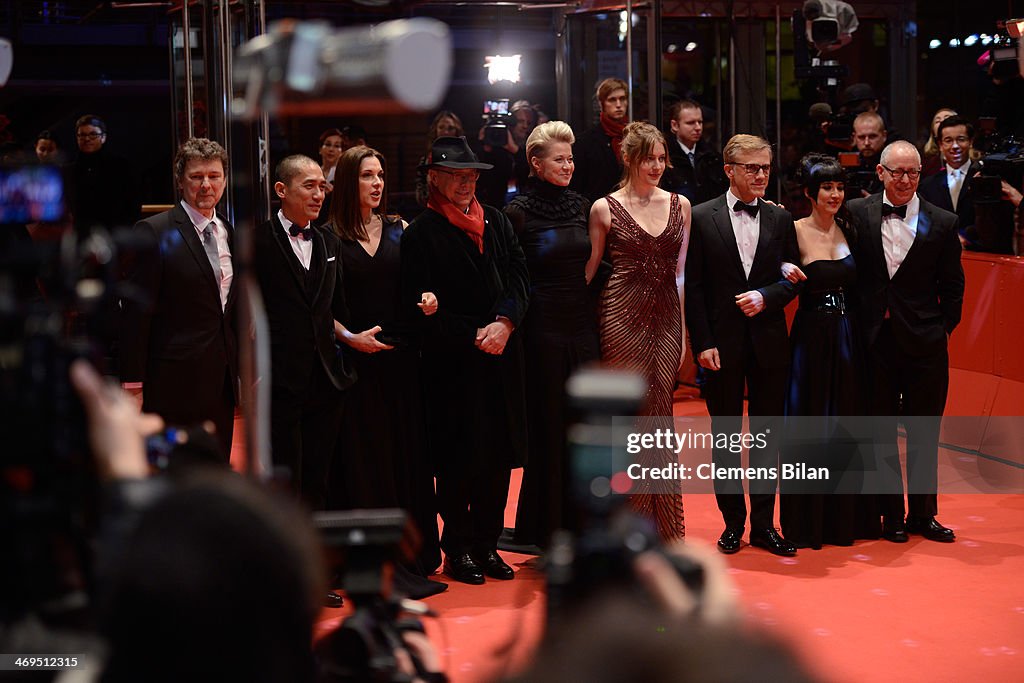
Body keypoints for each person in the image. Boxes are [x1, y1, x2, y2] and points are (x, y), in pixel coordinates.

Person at [401, 136, 529, 585]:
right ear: (434, 179)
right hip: (452, 366)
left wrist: (506, 323)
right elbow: (418, 309)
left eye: (471, 175)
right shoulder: (419, 234)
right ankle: (458, 548)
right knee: (457, 463)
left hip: (501, 358)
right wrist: (475, 332)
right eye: (456, 175)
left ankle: (487, 544)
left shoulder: (497, 220)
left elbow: (518, 275)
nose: (465, 183)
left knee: (497, 460)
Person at [325, 145, 444, 586]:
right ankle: (369, 559)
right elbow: (318, 309)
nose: (377, 184)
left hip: (401, 363)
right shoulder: (328, 236)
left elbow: (422, 286)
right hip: (356, 366)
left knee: (404, 457)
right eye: (366, 176)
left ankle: (412, 552)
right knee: (365, 461)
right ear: (347, 182)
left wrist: (430, 300)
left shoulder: (401, 229)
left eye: (380, 175)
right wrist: (350, 338)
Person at [684, 134, 798, 556]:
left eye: (766, 167)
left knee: (769, 437)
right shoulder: (700, 216)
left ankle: (766, 526)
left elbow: (793, 279)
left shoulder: (781, 218)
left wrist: (768, 296)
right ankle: (733, 524)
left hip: (769, 343)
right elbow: (693, 289)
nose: (761, 174)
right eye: (751, 167)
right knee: (726, 438)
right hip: (721, 344)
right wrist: (703, 343)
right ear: (729, 170)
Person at [848, 140, 964, 544]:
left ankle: (923, 514)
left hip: (925, 346)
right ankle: (891, 516)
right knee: (879, 433)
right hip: (875, 343)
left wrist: (938, 330)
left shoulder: (943, 222)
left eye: (912, 172)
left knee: (924, 433)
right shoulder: (855, 214)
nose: (905, 180)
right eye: (896, 172)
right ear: (880, 173)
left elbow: (953, 290)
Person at [585, 121, 689, 541]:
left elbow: (680, 276)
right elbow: (589, 272)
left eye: (663, 158)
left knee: (660, 416)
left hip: (666, 319)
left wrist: (683, 333)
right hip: (620, 317)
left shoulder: (681, 205)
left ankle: (662, 528)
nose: (658, 166)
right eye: (649, 158)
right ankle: (622, 524)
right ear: (628, 158)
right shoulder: (603, 208)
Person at [778, 154, 881, 549]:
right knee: (813, 426)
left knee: (847, 422)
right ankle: (810, 523)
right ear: (810, 193)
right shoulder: (793, 230)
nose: (835, 194)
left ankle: (847, 521)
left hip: (848, 337)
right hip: (812, 339)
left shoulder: (850, 228)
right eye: (827, 187)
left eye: (840, 187)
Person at [503, 121, 598, 549]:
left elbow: (594, 267)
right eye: (559, 159)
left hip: (581, 327)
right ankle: (544, 526)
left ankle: (581, 523)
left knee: (583, 425)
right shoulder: (517, 212)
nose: (568, 165)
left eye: (571, 158)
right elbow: (510, 278)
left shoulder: (581, 205)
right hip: (541, 329)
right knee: (548, 426)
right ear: (535, 163)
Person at [119, 137, 238, 461]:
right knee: (175, 475)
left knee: (216, 470)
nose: (206, 185)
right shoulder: (153, 231)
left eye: (214, 176)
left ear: (224, 179)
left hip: (221, 380)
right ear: (180, 181)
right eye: (197, 176)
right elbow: (136, 313)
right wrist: (133, 383)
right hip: (171, 382)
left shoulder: (229, 231)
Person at [252, 154, 355, 512]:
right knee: (284, 478)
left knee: (318, 476)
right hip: (279, 378)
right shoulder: (257, 241)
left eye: (322, 187)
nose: (318, 195)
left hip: (326, 378)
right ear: (281, 189)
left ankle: (319, 558)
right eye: (308, 186)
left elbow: (333, 309)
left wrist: (351, 340)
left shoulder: (330, 242)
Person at [66, 114, 139, 234]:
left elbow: (133, 204)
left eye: (93, 134)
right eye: (82, 135)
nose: (87, 139)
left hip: (115, 234)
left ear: (103, 137)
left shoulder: (121, 167)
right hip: (80, 234)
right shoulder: (68, 170)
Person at [570, 77, 630, 203]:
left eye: (622, 99)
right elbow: (578, 186)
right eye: (612, 100)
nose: (618, 105)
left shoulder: (635, 136)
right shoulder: (585, 142)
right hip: (598, 209)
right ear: (601, 104)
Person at [660, 99, 727, 205]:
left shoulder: (712, 155)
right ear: (675, 125)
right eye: (690, 123)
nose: (698, 127)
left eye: (700, 122)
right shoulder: (663, 156)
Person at [415, 110, 464, 207]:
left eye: (451, 128)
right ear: (435, 130)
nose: (446, 132)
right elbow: (420, 190)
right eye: (441, 127)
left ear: (457, 131)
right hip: (432, 210)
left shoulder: (466, 158)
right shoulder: (426, 159)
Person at [851, 112, 887, 196]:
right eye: (861, 137)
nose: (867, 143)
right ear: (854, 137)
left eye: (872, 136)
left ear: (884, 136)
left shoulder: (894, 165)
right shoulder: (848, 165)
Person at [315, 128, 344, 227]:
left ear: (342, 152)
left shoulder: (344, 175)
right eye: (327, 144)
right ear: (320, 149)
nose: (331, 149)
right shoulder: (312, 173)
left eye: (337, 146)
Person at [921, 107, 957, 177]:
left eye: (947, 118)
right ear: (933, 133)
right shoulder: (925, 162)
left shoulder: (973, 159)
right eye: (937, 121)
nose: (942, 122)